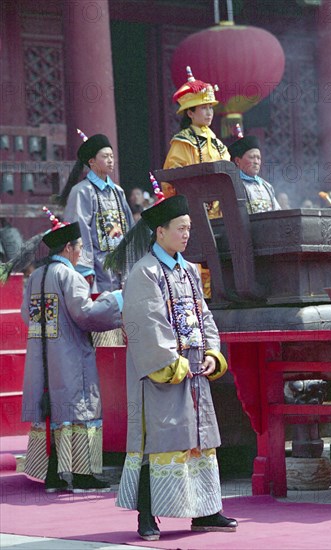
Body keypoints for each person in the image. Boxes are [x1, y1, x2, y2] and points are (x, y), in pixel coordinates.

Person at [113, 191, 237, 540]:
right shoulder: (144, 273)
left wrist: (212, 351)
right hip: (163, 374)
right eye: (180, 228)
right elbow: (146, 322)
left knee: (201, 440)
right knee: (160, 440)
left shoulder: (189, 270)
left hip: (196, 369)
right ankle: (147, 516)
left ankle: (206, 511)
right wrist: (172, 363)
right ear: (160, 232)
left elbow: (205, 315)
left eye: (188, 228)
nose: (186, 234)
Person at [21, 208, 123, 493]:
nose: (80, 254)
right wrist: (113, 300)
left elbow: (25, 315)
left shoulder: (36, 277)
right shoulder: (70, 277)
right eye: (79, 248)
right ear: (68, 247)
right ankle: (81, 474)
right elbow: (86, 315)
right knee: (80, 409)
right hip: (70, 356)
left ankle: (52, 474)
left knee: (52, 411)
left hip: (43, 356)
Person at [59, 133, 134, 293]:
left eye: (112, 156)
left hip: (119, 264)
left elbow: (129, 228)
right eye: (105, 156)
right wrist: (84, 268)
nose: (110, 160)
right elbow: (78, 230)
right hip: (97, 267)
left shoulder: (118, 191)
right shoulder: (81, 191)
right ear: (91, 161)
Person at [162, 66, 230, 215]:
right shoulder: (184, 142)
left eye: (210, 108)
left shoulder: (218, 144)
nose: (209, 113)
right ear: (190, 113)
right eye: (204, 108)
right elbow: (172, 180)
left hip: (222, 212)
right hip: (194, 213)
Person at [228, 135, 281, 214]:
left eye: (258, 158)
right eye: (252, 157)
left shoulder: (267, 186)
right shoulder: (232, 186)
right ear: (238, 161)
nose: (256, 161)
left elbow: (278, 213)